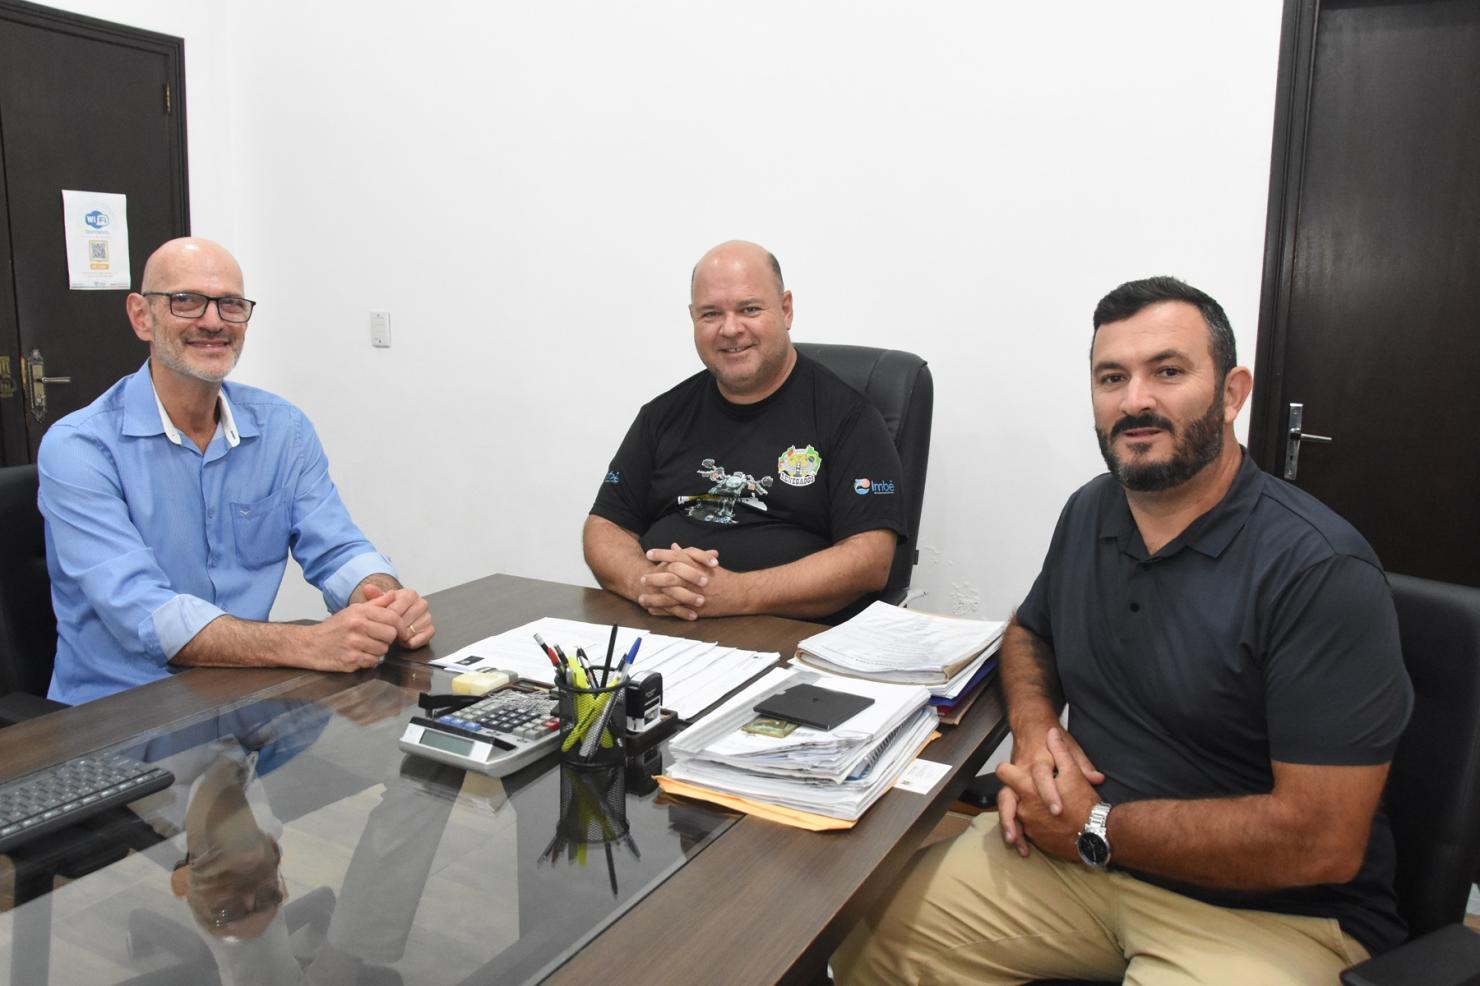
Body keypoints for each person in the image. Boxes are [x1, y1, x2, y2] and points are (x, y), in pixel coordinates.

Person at [833, 277, 1414, 984]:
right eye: (1112, 377)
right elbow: (1029, 634)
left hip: (1271, 914)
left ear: (1232, 393)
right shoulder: (1092, 511)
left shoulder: (1320, 570)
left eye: (1167, 371)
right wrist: (1037, 732)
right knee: (868, 935)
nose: (1135, 401)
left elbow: (1321, 842)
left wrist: (1097, 825)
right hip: (1076, 868)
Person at [39, 237, 435, 705]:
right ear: (142, 316)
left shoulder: (283, 429)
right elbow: (145, 613)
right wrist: (310, 643)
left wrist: (382, 600)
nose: (213, 321)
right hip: (118, 713)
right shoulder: (79, 448)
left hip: (246, 701)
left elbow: (338, 548)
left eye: (230, 304)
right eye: (186, 301)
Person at [583, 240, 907, 623]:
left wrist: (738, 593)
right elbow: (604, 527)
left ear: (786, 309)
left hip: (785, 636)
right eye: (710, 314)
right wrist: (646, 583)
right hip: (661, 629)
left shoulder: (849, 418)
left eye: (749, 309)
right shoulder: (661, 415)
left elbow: (870, 559)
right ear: (692, 318)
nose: (730, 329)